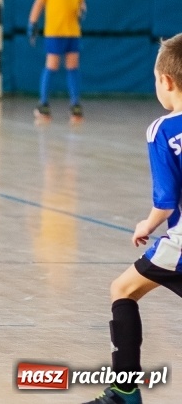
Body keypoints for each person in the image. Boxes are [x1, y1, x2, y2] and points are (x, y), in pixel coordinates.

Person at [83, 33, 182, 404]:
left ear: (166, 81)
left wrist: (146, 225)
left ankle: (125, 392)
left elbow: (167, 200)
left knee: (122, 290)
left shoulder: (164, 130)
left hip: (181, 245)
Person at [28, 0, 86, 122]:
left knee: (73, 66)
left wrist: (82, 9)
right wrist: (33, 22)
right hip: (54, 31)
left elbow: (80, 2)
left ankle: (75, 104)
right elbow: (39, 2)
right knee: (52, 65)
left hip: (72, 32)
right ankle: (43, 103)